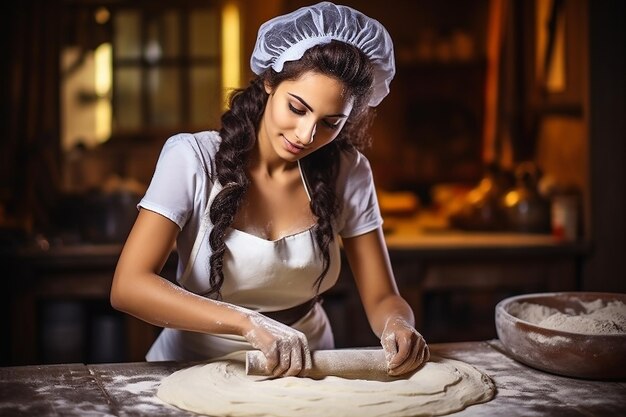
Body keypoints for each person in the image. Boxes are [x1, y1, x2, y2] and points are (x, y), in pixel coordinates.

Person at [111, 1, 429, 378]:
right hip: (192, 366)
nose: (307, 135)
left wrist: (397, 323)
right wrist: (247, 322)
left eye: (331, 122)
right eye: (297, 108)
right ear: (269, 82)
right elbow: (128, 286)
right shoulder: (191, 159)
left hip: (308, 370)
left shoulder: (349, 171)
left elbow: (381, 297)